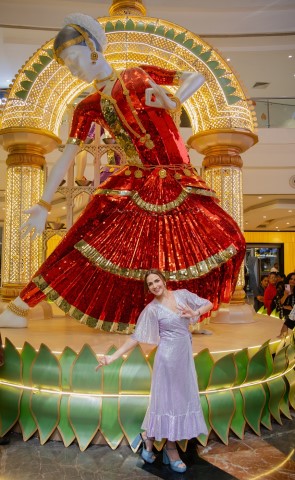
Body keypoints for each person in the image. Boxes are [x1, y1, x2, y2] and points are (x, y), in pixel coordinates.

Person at [0, 13, 245, 332]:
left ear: (91, 48)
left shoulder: (136, 75)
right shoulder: (87, 106)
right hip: (136, 182)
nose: (73, 69)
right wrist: (44, 204)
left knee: (223, 243)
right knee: (77, 243)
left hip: (179, 179)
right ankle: (20, 306)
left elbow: (194, 75)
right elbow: (67, 155)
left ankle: (184, 315)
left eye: (73, 59)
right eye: (66, 65)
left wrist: (174, 100)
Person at [96, 269, 213, 473]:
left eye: (156, 281)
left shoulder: (183, 295)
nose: (154, 286)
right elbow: (136, 337)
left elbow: (208, 303)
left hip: (184, 357)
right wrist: (112, 357)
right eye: (150, 284)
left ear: (164, 280)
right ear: (148, 288)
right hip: (167, 360)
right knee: (169, 402)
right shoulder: (152, 309)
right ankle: (170, 449)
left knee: (180, 400)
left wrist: (196, 313)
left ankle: (147, 438)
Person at [278, 272, 295, 337]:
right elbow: (279, 304)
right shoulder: (282, 288)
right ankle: (284, 332)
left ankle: (284, 331)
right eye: (291, 279)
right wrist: (285, 295)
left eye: (294, 280)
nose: (292, 281)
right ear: (288, 279)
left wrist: (292, 307)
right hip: (284, 312)